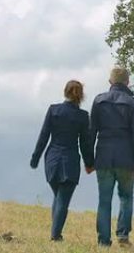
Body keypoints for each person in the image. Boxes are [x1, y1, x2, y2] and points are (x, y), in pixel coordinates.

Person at [30, 80, 94, 242]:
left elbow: (43, 136)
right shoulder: (82, 116)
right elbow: (85, 143)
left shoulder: (54, 110)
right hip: (70, 161)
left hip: (51, 160)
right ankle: (55, 236)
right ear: (81, 95)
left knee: (59, 197)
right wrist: (89, 163)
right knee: (63, 200)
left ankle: (55, 231)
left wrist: (35, 158)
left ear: (65, 92)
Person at [90, 66, 134, 247]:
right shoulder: (132, 103)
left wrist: (89, 160)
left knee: (104, 200)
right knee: (126, 197)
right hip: (126, 157)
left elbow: (91, 133)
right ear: (127, 82)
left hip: (104, 156)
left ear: (110, 82)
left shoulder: (98, 101)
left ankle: (103, 241)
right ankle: (123, 237)